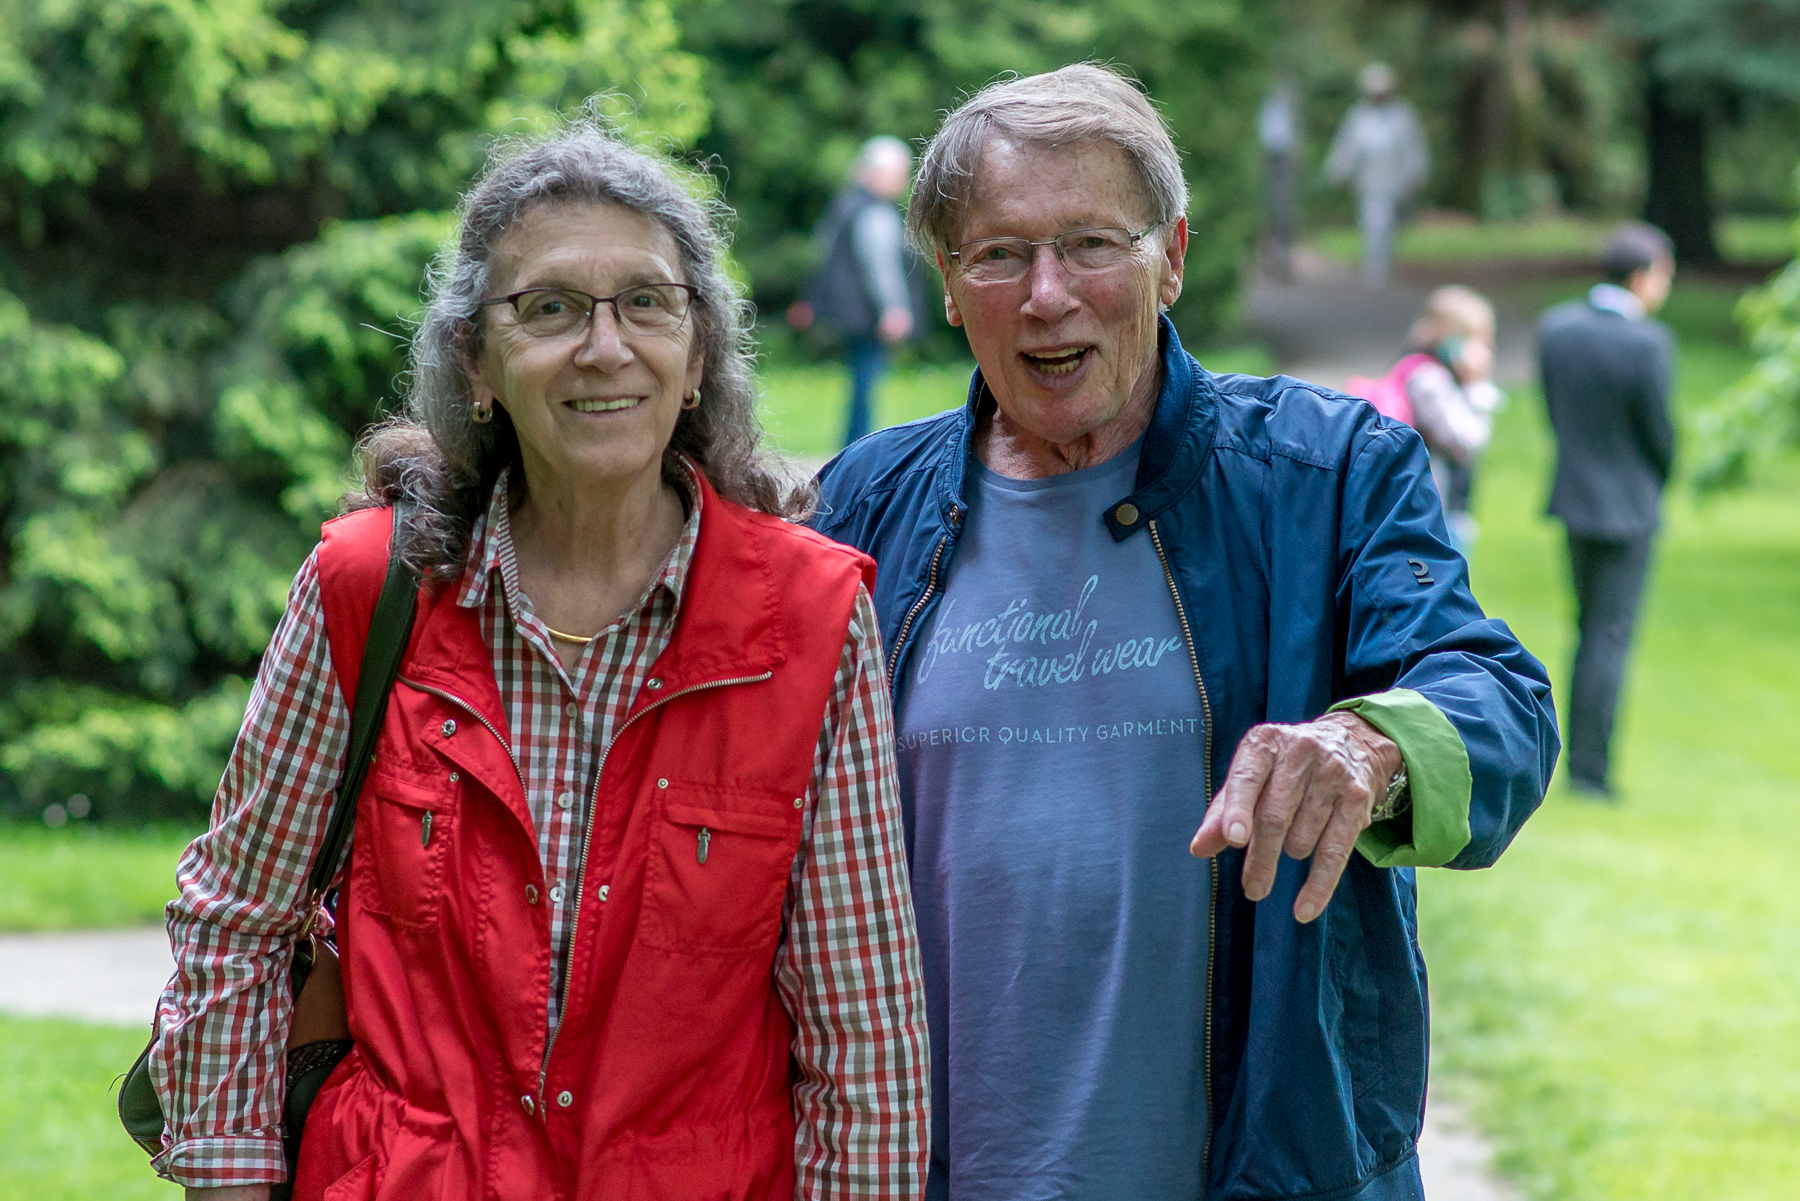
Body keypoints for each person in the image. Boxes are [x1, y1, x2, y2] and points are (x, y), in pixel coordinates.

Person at [812, 64, 1557, 1201]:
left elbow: (1498, 700)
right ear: (950, 288)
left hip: (1256, 1173)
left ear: (1171, 258)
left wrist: (1371, 745)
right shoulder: (866, 506)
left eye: (1091, 245)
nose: (1047, 294)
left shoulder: (1324, 472)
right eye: (998, 254)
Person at [149, 117, 929, 1201]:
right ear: (477, 363)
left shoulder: (809, 619)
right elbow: (235, 924)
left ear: (698, 357)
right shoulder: (368, 590)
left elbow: (863, 1037)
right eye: (550, 308)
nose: (605, 348)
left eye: (646, 303)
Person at [1538, 222, 1677, 799]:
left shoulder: (1556, 328)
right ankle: (1591, 774)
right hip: (1629, 508)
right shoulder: (1648, 343)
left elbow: (1553, 411)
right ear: (1642, 276)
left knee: (1585, 632)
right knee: (1609, 638)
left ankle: (1571, 761)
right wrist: (1658, 478)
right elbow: (1659, 434)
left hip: (1574, 499)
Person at [790, 135, 928, 446]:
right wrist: (893, 308)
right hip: (870, 314)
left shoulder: (844, 204)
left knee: (859, 380)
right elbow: (880, 266)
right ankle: (859, 445)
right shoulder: (876, 212)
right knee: (866, 381)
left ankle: (853, 443)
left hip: (846, 312)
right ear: (878, 173)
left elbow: (822, 255)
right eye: (898, 174)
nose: (902, 181)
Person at [1394, 285, 1504, 549]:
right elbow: (1470, 437)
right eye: (1478, 340)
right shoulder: (1429, 379)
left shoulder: (1424, 368)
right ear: (1455, 340)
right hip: (1434, 509)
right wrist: (1478, 384)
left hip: (1432, 505)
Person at [1325, 63, 1429, 287]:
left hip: (1395, 177)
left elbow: (1413, 146)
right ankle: (1375, 264)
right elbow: (1347, 146)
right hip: (1369, 178)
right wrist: (1339, 170)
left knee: (1390, 222)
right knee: (1373, 220)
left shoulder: (1402, 114)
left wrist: (1416, 172)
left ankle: (1384, 260)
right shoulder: (1359, 115)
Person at [1257, 78, 1301, 281]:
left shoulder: (1282, 108)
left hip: (1279, 162)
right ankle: (1274, 259)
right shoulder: (1269, 106)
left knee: (1281, 211)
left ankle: (1281, 259)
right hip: (1270, 162)